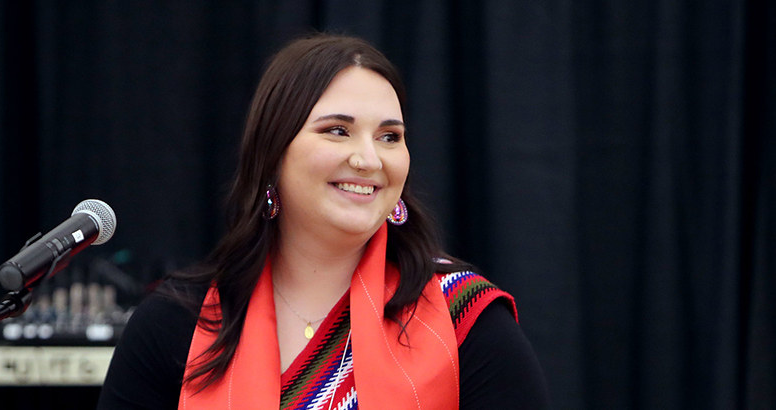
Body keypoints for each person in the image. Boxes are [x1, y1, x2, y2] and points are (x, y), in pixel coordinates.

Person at [97, 34, 549, 410]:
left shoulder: (461, 319)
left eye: (390, 136)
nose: (369, 159)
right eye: (338, 130)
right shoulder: (177, 323)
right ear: (273, 153)